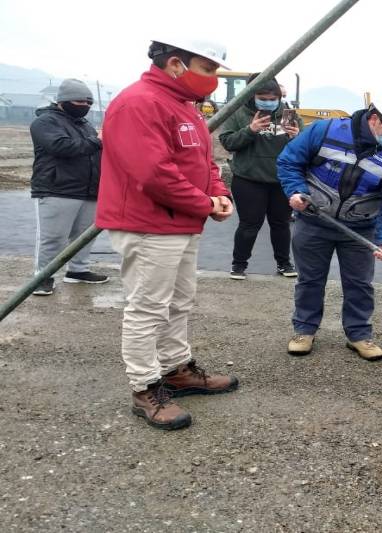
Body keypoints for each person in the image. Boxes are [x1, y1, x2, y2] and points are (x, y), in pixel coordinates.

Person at [96, 38, 239, 431]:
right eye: (208, 69)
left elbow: (203, 161)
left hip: (181, 222)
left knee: (178, 301)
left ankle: (177, 369)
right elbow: (153, 173)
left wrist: (218, 193)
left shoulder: (183, 107)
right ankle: (144, 388)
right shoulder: (139, 103)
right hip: (148, 224)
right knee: (147, 307)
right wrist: (205, 203)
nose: (212, 79)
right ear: (176, 63)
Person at [277, 97, 382, 361]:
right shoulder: (326, 130)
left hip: (362, 227)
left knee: (360, 283)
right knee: (310, 280)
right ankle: (304, 330)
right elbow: (289, 162)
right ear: (375, 118)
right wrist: (295, 191)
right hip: (313, 220)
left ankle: (359, 334)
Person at [30, 78, 108, 296]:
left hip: (89, 189)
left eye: (88, 102)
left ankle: (78, 271)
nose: (84, 106)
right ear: (63, 101)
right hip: (57, 188)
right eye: (79, 101)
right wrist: (99, 141)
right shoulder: (45, 122)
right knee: (52, 237)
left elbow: (97, 153)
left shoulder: (85, 125)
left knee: (84, 235)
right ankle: (42, 278)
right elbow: (61, 146)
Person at [219, 74, 300, 280]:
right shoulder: (238, 113)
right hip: (248, 179)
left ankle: (284, 263)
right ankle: (238, 265)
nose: (268, 101)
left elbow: (305, 148)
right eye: (262, 97)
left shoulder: (288, 115)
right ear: (252, 95)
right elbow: (227, 142)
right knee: (249, 224)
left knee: (281, 224)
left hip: (281, 180)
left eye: (273, 98)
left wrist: (297, 137)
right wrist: (250, 130)